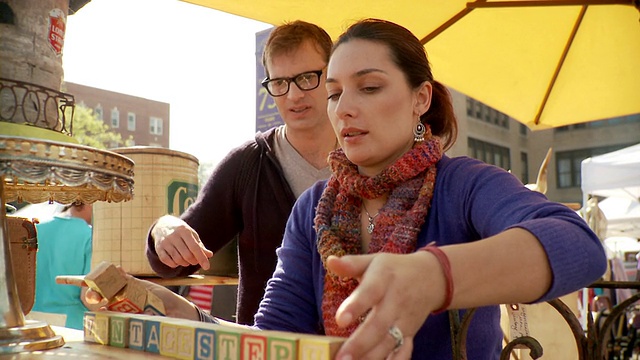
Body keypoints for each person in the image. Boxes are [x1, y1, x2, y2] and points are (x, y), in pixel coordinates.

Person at [91, 19, 607, 359]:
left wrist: (434, 276)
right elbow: (275, 341)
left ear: (420, 97)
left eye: (370, 87)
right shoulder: (314, 208)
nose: (345, 108)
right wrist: (191, 320)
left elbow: (578, 244)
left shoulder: (463, 184)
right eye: (335, 94)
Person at [145, 20, 336, 325]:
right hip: (268, 346)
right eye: (280, 83)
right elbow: (175, 263)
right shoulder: (248, 164)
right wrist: (163, 229)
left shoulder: (366, 157)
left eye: (306, 78)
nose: (293, 95)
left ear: (333, 74)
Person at [32, 202, 96, 330]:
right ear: (90, 200)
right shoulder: (90, 236)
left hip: (32, 321)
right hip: (72, 326)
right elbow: (88, 296)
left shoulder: (34, 230)